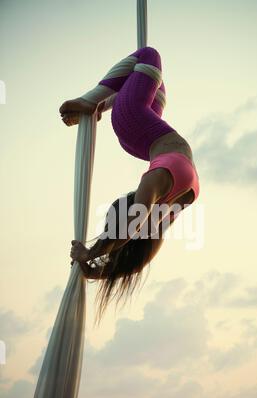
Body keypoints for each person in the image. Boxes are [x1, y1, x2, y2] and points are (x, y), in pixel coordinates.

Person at [59, 46, 199, 320]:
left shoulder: (155, 185)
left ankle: (92, 102)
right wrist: (96, 266)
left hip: (134, 125)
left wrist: (92, 253)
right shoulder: (160, 215)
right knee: (151, 81)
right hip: (148, 133)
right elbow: (138, 259)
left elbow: (133, 226)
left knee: (149, 56)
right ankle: (103, 101)